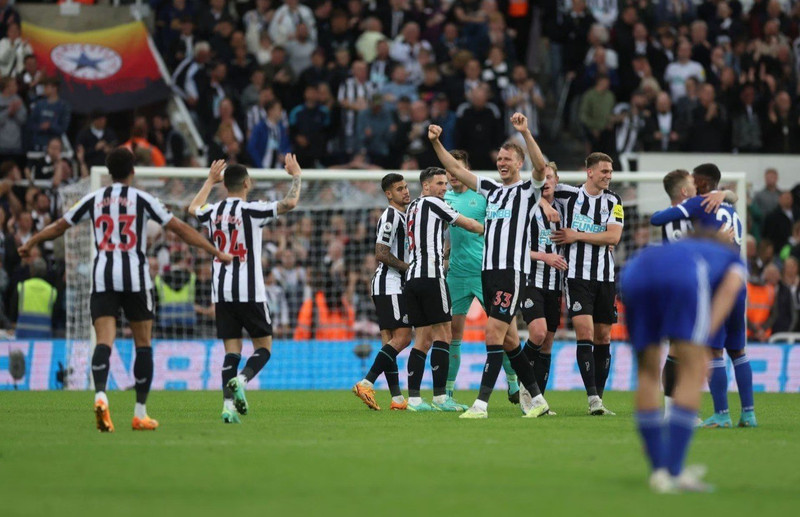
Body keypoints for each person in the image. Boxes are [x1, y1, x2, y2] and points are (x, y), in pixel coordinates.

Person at [17, 148, 232, 432]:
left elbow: (59, 226)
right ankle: (139, 413)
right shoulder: (143, 199)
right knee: (143, 344)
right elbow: (180, 229)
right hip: (136, 279)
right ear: (133, 171)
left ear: (108, 173)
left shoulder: (94, 198)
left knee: (104, 340)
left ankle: (101, 396)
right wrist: (215, 250)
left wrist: (31, 243)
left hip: (104, 276)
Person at [429, 112, 555, 419]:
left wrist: (525, 133)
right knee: (511, 341)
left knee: (493, 334)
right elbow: (455, 167)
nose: (501, 163)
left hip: (511, 272)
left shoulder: (527, 191)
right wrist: (436, 143)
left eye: (507, 159)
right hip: (488, 272)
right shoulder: (491, 190)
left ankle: (481, 404)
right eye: (499, 158)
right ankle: (538, 400)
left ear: (518, 163)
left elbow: (540, 167)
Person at [620, 235, 747, 493]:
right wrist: (702, 344)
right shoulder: (733, 259)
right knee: (692, 370)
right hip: (680, 279)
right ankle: (674, 470)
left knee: (646, 372)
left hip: (633, 272)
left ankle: (658, 469)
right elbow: (731, 288)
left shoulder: (684, 246)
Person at [189, 156, 303, 423]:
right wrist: (296, 175)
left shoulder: (213, 211)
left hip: (222, 291)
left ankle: (227, 407)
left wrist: (209, 180)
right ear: (247, 183)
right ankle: (242, 380)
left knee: (231, 351)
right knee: (264, 347)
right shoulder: (252, 209)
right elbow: (290, 203)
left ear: (224, 184)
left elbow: (192, 207)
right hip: (250, 290)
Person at [650, 163, 755, 428]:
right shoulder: (723, 211)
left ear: (702, 185)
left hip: (712, 287)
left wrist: (721, 194)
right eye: (691, 182)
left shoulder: (699, 207)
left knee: (710, 350)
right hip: (727, 284)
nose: (695, 185)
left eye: (697, 181)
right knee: (736, 350)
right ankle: (747, 413)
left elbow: (660, 221)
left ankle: (718, 414)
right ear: (686, 189)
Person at [443, 150, 520, 409]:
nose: (452, 175)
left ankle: (513, 382)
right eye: (448, 172)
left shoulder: (484, 196)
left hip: (484, 272)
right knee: (453, 334)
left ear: (466, 171)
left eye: (456, 170)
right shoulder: (444, 198)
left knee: (505, 331)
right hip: (456, 274)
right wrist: (445, 252)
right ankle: (449, 393)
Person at [403, 166, 484, 411]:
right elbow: (467, 224)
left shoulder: (412, 207)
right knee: (445, 336)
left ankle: (415, 399)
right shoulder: (434, 203)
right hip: (431, 276)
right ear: (426, 186)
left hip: (413, 277)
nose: (444, 188)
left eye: (445, 184)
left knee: (422, 340)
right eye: (439, 184)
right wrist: (490, 229)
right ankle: (440, 397)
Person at [551, 152, 624, 415]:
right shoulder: (568, 195)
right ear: (589, 172)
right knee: (586, 333)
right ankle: (592, 398)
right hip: (577, 276)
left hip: (605, 278)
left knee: (604, 336)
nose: (608, 175)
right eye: (604, 171)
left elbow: (613, 237)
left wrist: (575, 234)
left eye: (610, 171)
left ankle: (600, 399)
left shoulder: (614, 201)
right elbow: (541, 184)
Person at [352, 173, 411, 411]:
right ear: (389, 194)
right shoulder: (390, 216)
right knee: (404, 338)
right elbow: (381, 252)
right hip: (391, 283)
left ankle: (396, 399)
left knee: (389, 342)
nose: (406, 192)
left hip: (389, 285)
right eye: (399, 189)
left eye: (406, 187)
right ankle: (366, 382)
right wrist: (409, 267)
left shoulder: (402, 215)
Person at [520, 162, 566, 410]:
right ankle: (521, 382)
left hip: (555, 284)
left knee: (547, 342)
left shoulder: (564, 207)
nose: (546, 181)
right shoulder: (527, 208)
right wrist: (545, 256)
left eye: (551, 177)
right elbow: (516, 248)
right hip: (531, 280)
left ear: (557, 181)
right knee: (537, 333)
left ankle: (537, 400)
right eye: (543, 177)